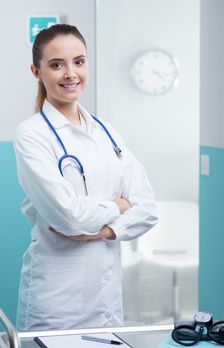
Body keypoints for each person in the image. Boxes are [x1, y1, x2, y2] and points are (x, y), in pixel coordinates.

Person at [14, 24, 158, 331]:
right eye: (56, 65)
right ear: (36, 72)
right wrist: (118, 206)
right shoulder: (32, 135)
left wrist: (102, 232)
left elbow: (147, 209)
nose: (70, 74)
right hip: (57, 304)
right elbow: (69, 216)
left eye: (78, 62)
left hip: (106, 303)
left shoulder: (107, 132)